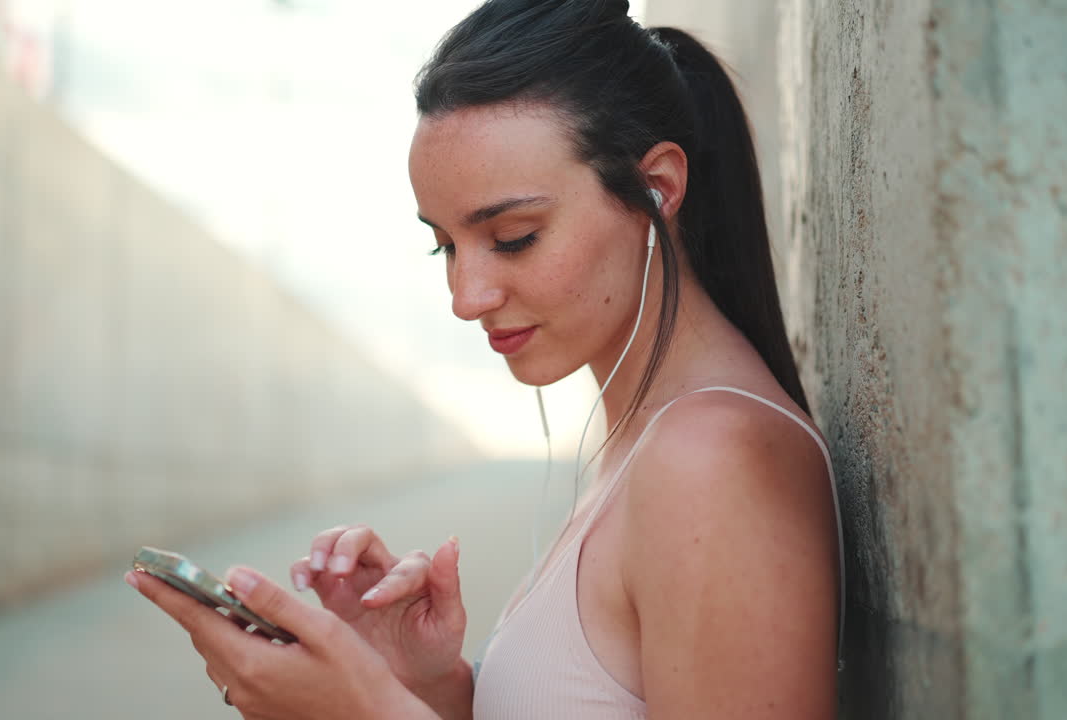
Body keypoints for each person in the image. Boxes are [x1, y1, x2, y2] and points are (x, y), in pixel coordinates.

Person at [125, 1, 844, 718]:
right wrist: (431, 685)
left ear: (656, 189)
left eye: (513, 236)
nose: (466, 297)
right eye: (445, 245)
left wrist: (364, 710)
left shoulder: (713, 461)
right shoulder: (646, 441)